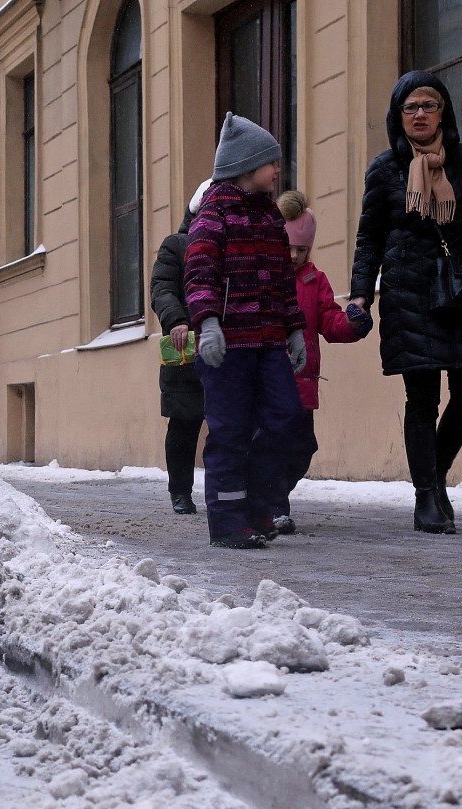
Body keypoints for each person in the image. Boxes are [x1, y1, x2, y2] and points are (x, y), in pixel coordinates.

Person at [350, 71, 462, 534]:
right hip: (408, 292)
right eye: (411, 107)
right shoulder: (384, 169)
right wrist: (361, 295)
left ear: (443, 111)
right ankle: (426, 496)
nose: (420, 114)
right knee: (422, 397)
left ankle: (434, 473)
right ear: (399, 116)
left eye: (429, 105)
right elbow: (369, 239)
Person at [184, 113, 306, 549]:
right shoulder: (214, 216)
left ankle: (257, 507)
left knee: (286, 419)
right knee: (230, 431)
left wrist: (294, 330)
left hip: (270, 341)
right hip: (228, 346)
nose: (277, 171)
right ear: (246, 166)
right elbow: (199, 275)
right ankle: (228, 521)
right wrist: (208, 323)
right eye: (271, 163)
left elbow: (282, 280)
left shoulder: (271, 217)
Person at [270, 190, 373, 534]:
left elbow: (329, 320)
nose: (296, 255)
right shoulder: (266, 278)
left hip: (304, 381)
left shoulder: (315, 281)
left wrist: (354, 323)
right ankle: (274, 506)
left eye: (302, 249)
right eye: (290, 248)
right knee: (274, 445)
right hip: (270, 380)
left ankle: (271, 494)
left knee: (303, 447)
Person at [149, 179, 212, 514]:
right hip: (186, 346)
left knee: (230, 424)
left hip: (229, 345)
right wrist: (176, 320)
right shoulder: (176, 245)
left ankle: (231, 493)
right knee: (184, 421)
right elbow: (161, 287)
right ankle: (181, 491)